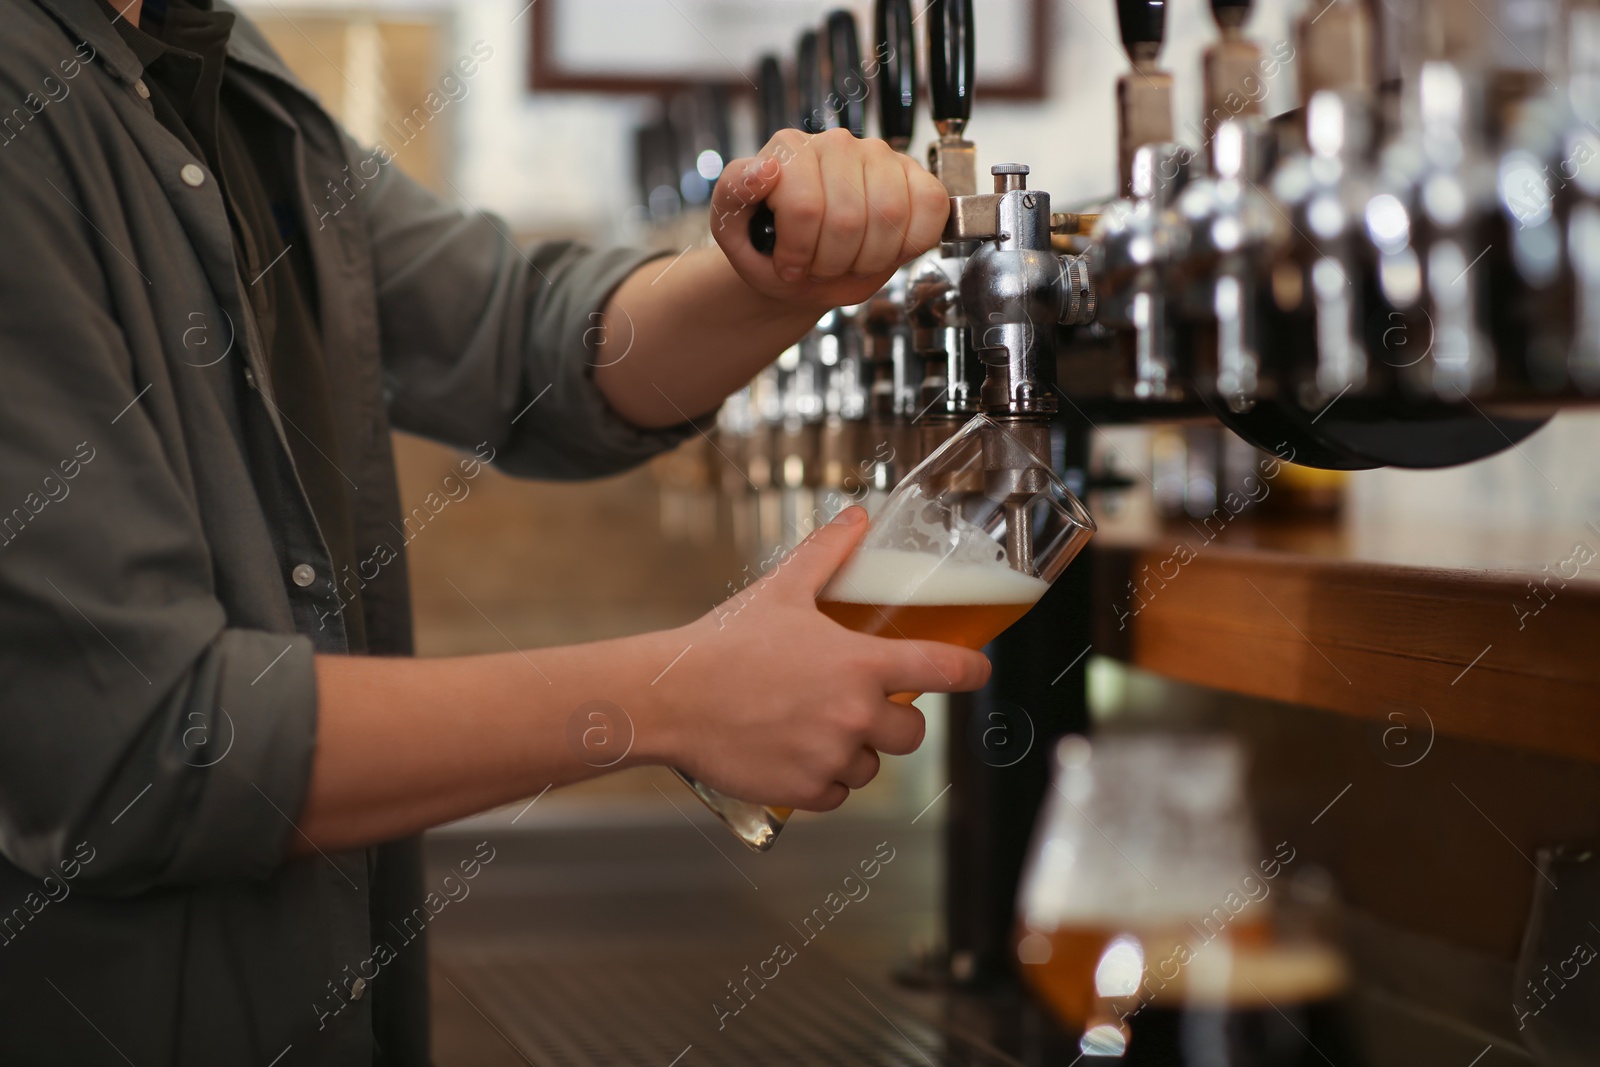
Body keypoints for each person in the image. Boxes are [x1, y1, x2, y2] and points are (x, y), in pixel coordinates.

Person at [0, 0, 988, 1063]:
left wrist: (781, 270)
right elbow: (144, 741)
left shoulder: (216, 67)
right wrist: (680, 692)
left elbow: (516, 338)